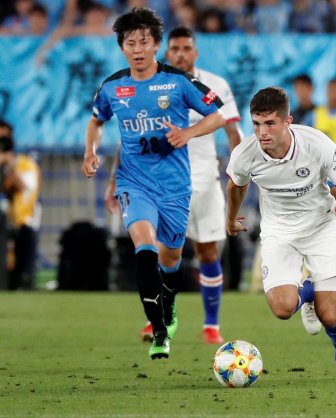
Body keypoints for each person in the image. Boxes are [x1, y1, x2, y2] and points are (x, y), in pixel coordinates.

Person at [82, 7, 225, 359]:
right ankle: (159, 330)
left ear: (157, 44)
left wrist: (187, 133)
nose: (138, 49)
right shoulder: (113, 86)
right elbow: (97, 121)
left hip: (174, 186)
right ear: (122, 47)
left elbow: (217, 115)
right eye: (130, 43)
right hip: (134, 183)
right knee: (145, 249)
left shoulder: (178, 81)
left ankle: (169, 306)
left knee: (171, 258)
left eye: (144, 42)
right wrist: (90, 151)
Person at [105, 26, 243, 345]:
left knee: (207, 251)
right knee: (154, 250)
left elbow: (232, 131)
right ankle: (158, 318)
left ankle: (211, 325)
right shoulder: (149, 84)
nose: (181, 54)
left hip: (204, 180)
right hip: (157, 182)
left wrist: (240, 174)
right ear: (167, 52)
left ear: (196, 52)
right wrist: (114, 178)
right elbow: (130, 138)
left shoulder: (215, 85)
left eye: (186, 48)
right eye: (175, 49)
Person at [226, 86, 336, 384]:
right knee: (282, 308)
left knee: (329, 315)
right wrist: (231, 218)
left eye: (270, 123)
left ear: (288, 121)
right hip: (279, 232)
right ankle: (308, 293)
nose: (262, 132)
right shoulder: (245, 154)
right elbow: (236, 185)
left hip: (321, 227)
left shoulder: (316, 144)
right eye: (256, 124)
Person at [0, 120, 40, 290]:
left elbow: (23, 188)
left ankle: (23, 280)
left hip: (17, 221)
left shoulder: (23, 164)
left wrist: (9, 166)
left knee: (26, 233)